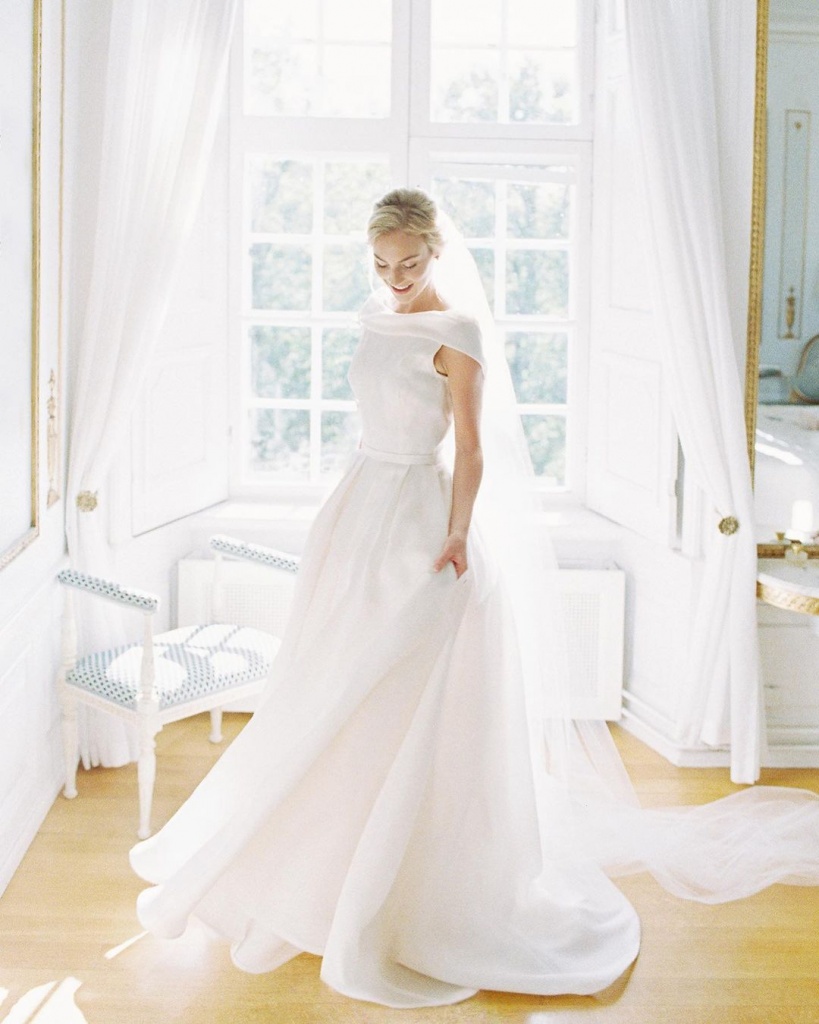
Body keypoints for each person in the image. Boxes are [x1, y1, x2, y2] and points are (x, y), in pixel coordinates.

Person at [130, 188, 819, 1009]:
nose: (393, 278)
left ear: (435, 253)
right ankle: (313, 866)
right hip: (356, 514)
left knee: (402, 694)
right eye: (381, 264)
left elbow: (471, 448)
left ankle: (410, 886)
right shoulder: (372, 316)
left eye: (409, 264)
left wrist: (456, 536)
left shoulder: (455, 332)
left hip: (422, 523)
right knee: (326, 687)